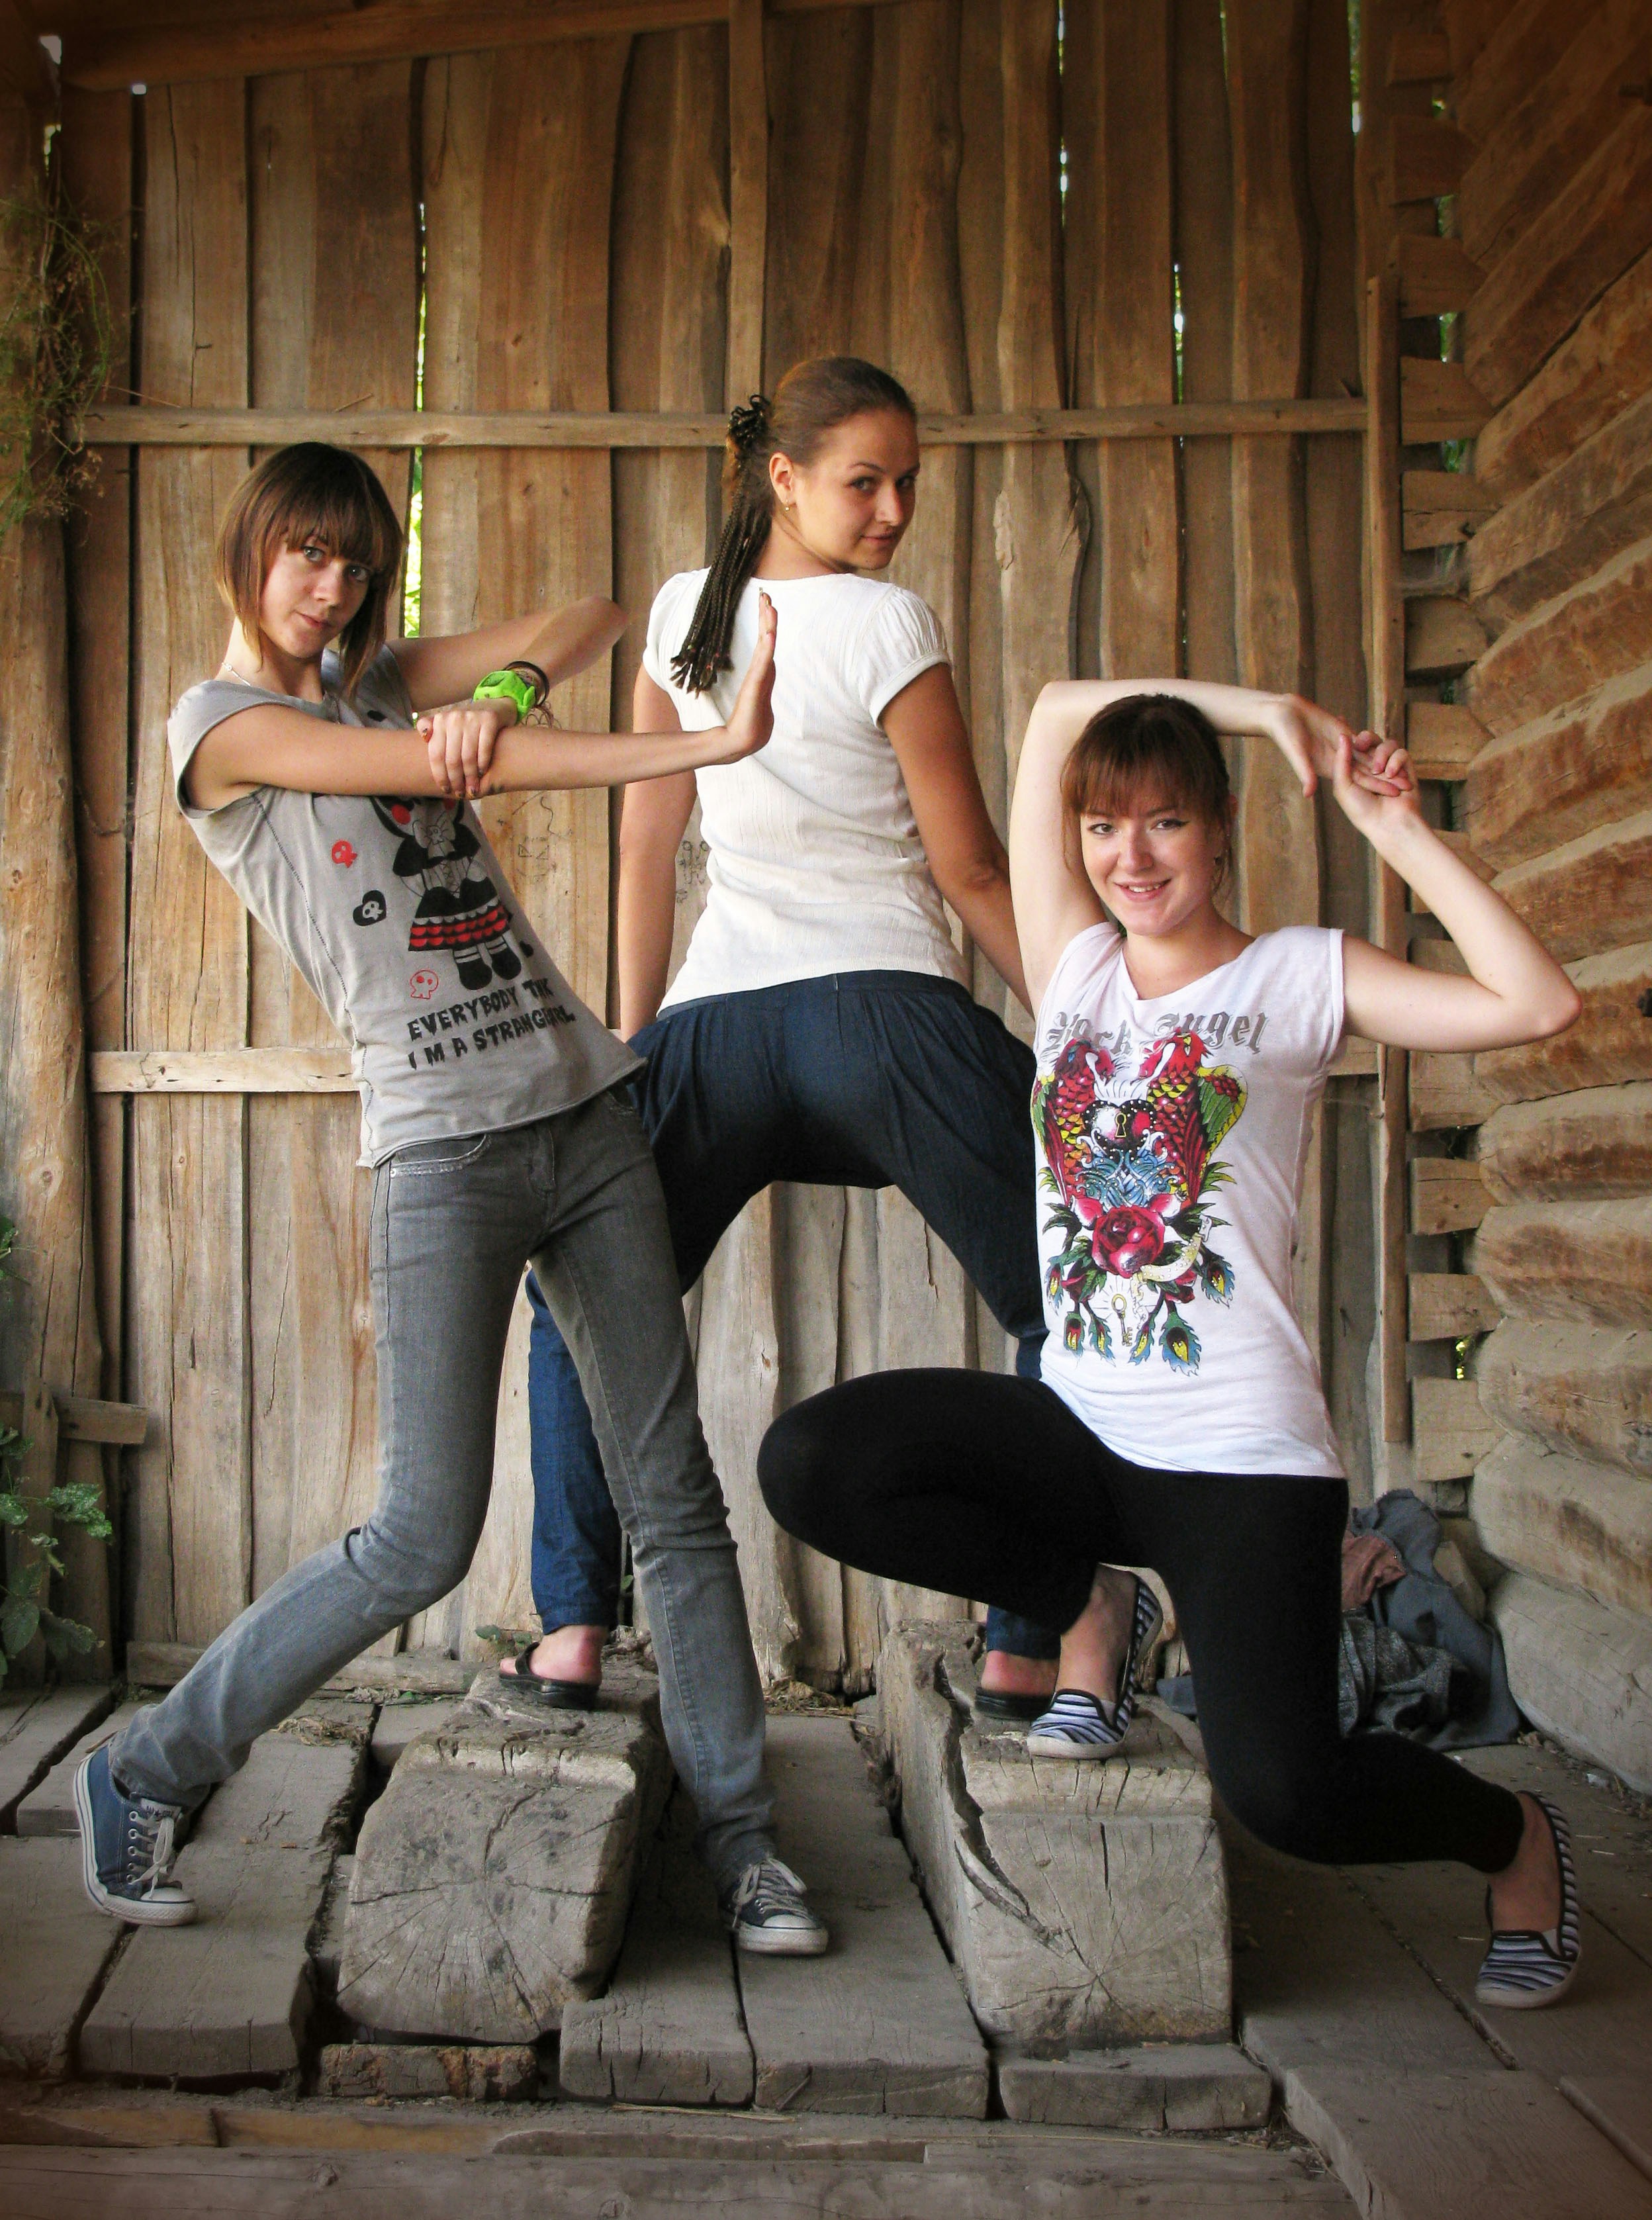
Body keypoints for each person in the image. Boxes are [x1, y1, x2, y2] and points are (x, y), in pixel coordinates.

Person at [74, 442, 827, 1957]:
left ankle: (745, 1844)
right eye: (305, 555)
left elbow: (591, 616)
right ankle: (146, 1767)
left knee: (672, 1493)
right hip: (439, 1151)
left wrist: (491, 698)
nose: (331, 587)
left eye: (356, 562)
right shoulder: (221, 732)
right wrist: (700, 751)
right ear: (247, 551)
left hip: (585, 1113)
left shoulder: (381, 675)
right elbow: (428, 774)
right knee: (420, 1536)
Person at [758, 679, 1586, 2011]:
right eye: (1104, 828)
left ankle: (1517, 1840)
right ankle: (1091, 1598)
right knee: (814, 1461)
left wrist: (1397, 828)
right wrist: (1266, 708)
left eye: (1164, 824)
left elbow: (1536, 1004)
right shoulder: (1074, 966)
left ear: (1218, 834)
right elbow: (1044, 721)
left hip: (1240, 1458)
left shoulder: (1297, 979)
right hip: (1082, 1426)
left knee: (1289, 1796)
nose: (1129, 857)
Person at [501, 356, 1064, 1719]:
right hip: (888, 1022)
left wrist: (636, 1046)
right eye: (865, 481)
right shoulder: (886, 622)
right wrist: (1081, 1034)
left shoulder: (685, 620)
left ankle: (572, 1633)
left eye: (909, 483)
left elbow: (648, 841)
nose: (891, 510)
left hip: (719, 1030)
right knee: (1073, 1286)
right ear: (784, 477)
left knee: (580, 1304)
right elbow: (973, 869)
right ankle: (1027, 1638)